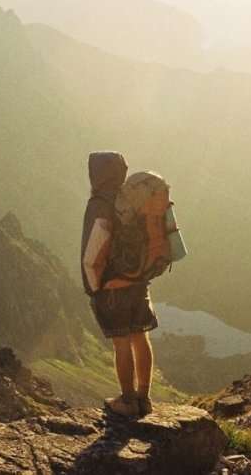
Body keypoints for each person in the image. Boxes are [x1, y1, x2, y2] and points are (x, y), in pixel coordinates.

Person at [81, 151, 162, 417]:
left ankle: (126, 401)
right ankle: (144, 398)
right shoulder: (132, 200)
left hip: (112, 288)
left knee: (121, 343)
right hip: (138, 282)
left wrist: (94, 287)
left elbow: (94, 250)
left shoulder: (100, 204)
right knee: (141, 336)